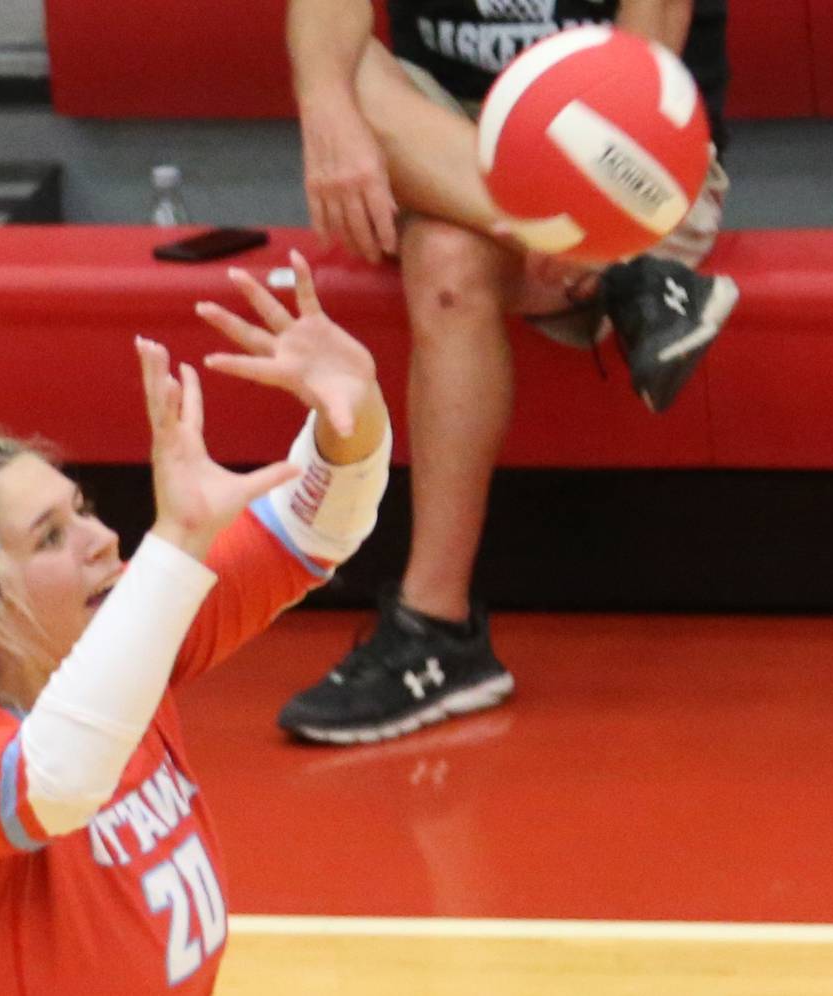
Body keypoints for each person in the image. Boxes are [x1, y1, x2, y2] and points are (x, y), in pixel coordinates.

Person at [0, 252, 391, 995]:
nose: (102, 540)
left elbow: (309, 528)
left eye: (82, 510)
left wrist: (351, 415)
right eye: (48, 536)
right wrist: (180, 543)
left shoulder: (117, 634)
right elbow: (60, 776)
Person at [278, 0, 736, 744]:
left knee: (447, 264)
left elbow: (644, 63)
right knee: (339, 63)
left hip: (630, 145)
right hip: (445, 136)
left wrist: (588, 199)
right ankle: (634, 284)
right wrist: (326, 111)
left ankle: (433, 627)